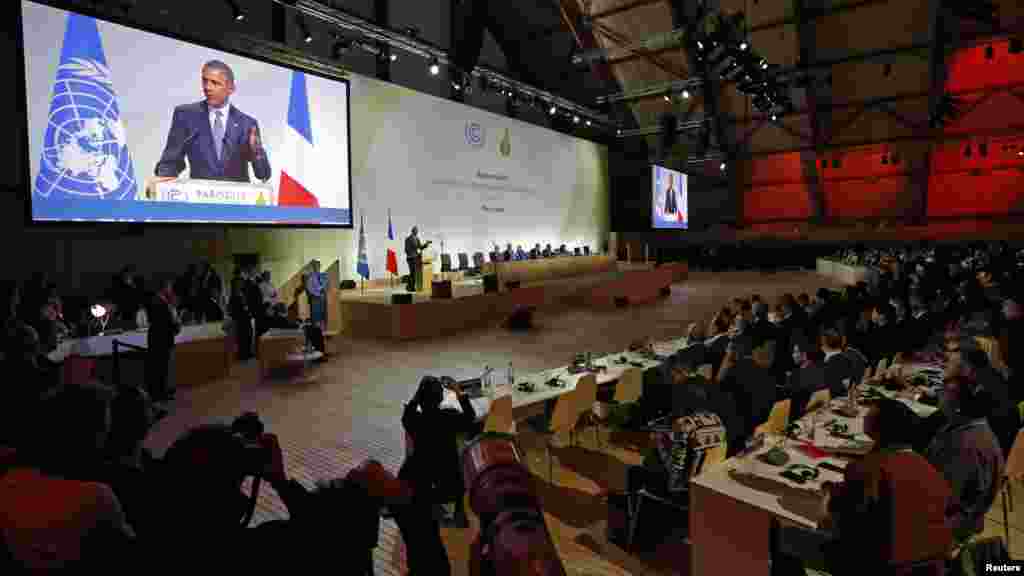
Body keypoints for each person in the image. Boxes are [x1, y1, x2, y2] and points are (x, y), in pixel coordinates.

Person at [775, 399, 953, 576]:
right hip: (930, 565)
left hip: (879, 566)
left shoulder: (867, 469)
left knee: (782, 536)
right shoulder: (926, 467)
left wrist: (827, 498)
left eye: (868, 416)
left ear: (879, 430)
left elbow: (828, 523)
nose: (864, 418)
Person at [154, 60, 271, 184]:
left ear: (231, 88)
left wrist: (257, 151)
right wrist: (163, 180)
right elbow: (171, 161)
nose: (207, 87)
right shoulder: (186, 115)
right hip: (200, 198)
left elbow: (263, 174)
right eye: (205, 81)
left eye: (215, 83)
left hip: (235, 200)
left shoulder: (247, 124)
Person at [925, 366, 1004, 542]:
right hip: (955, 518)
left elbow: (941, 499)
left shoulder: (965, 445)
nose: (938, 395)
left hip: (944, 529)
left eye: (943, 392)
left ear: (957, 403)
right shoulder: (972, 427)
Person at [400, 376, 477, 528]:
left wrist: (417, 396)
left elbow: (407, 414)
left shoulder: (413, 419)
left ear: (419, 397)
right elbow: (470, 417)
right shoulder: (448, 416)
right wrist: (457, 390)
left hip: (425, 482)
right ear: (441, 397)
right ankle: (458, 517)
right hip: (450, 481)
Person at [146, 277, 182, 403]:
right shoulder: (157, 301)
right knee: (159, 369)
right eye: (169, 287)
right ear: (164, 287)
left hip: (161, 339)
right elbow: (163, 323)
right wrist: (176, 324)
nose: (171, 289)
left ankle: (161, 393)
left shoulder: (161, 301)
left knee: (162, 369)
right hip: (160, 339)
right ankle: (158, 395)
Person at [405, 227, 428, 292]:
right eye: (415, 231)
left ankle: (410, 287)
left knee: (414, 273)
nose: (417, 232)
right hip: (410, 258)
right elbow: (406, 249)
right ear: (412, 231)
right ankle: (410, 287)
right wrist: (413, 254)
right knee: (412, 273)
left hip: (416, 258)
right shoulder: (408, 239)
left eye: (417, 231)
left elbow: (420, 247)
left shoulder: (417, 238)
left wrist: (426, 244)